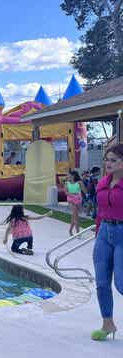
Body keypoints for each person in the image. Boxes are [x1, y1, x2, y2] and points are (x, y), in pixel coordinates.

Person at [92, 145, 123, 341]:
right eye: (106, 159)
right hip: (104, 232)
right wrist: (98, 233)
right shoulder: (103, 183)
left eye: (113, 160)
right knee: (102, 282)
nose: (108, 163)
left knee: (121, 283)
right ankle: (107, 324)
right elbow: (100, 211)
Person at [65, 171, 86, 235]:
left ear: (73, 175)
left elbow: (85, 191)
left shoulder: (79, 182)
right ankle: (78, 232)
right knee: (76, 216)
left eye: (69, 175)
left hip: (78, 200)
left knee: (74, 216)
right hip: (70, 200)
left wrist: (82, 184)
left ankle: (70, 230)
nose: (67, 176)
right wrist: (73, 196)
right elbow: (66, 192)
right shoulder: (66, 183)